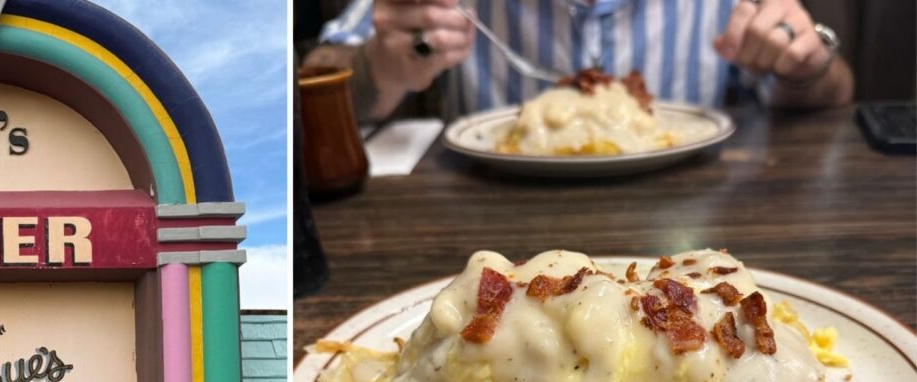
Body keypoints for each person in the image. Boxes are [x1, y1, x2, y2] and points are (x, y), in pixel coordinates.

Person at [307, 0, 854, 122]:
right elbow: (315, 73)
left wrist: (804, 64)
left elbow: (832, 93)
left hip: (698, 221)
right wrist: (381, 64)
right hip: (485, 229)